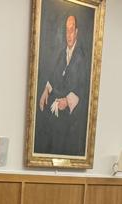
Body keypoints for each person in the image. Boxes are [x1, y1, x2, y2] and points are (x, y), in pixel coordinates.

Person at [35, 14, 89, 157]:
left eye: (71, 30)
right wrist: (46, 90)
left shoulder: (82, 57)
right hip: (57, 113)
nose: (69, 35)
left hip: (72, 121)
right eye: (67, 30)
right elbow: (54, 76)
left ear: (76, 32)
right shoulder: (62, 53)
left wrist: (67, 101)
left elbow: (83, 88)